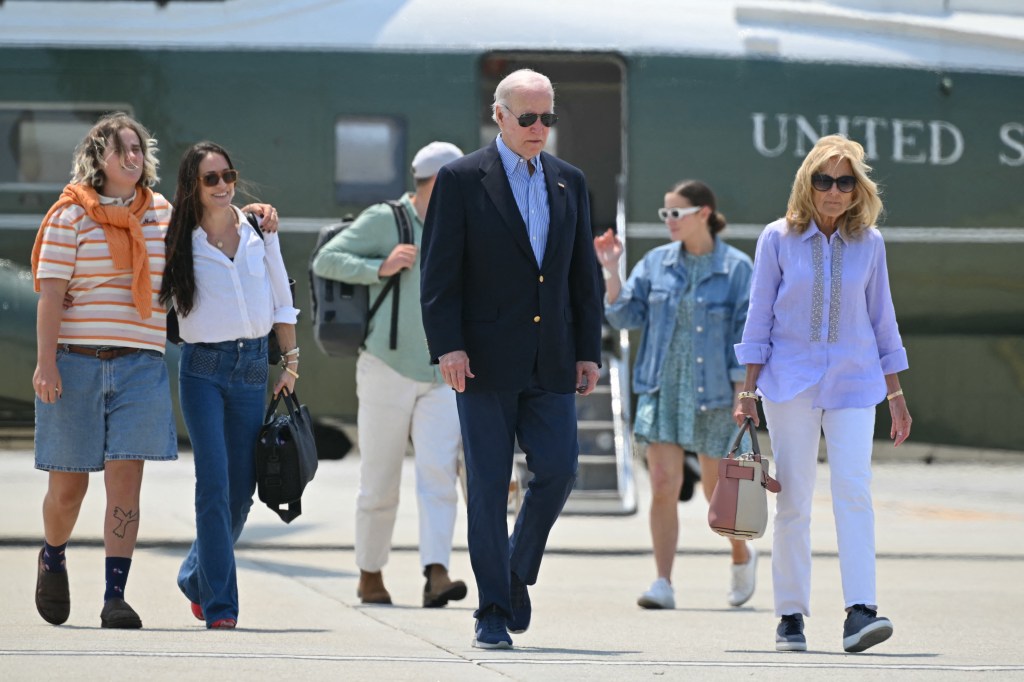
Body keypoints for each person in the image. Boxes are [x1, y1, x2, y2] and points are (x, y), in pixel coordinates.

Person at [419, 69, 604, 649]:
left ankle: (516, 572)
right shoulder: (460, 179)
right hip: (481, 363)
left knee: (559, 469)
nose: (539, 129)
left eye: (547, 118)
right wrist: (447, 345)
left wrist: (588, 352)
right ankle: (492, 610)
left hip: (551, 360)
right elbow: (439, 275)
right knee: (489, 485)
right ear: (498, 116)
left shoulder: (569, 181)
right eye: (527, 118)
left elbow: (582, 277)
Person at [733, 134, 912, 653]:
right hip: (788, 384)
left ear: (858, 190)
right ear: (807, 184)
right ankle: (790, 614)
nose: (834, 191)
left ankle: (861, 611)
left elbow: (883, 320)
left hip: (856, 385)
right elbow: (758, 316)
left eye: (845, 181)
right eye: (824, 180)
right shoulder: (776, 238)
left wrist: (895, 393)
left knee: (854, 490)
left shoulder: (870, 244)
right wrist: (748, 391)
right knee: (793, 500)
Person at [30, 112, 177, 629]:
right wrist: (46, 363)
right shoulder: (69, 215)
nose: (133, 158)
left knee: (125, 484)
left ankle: (116, 595)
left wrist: (256, 215)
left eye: (138, 149)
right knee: (68, 490)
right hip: (76, 363)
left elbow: (203, 244)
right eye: (122, 150)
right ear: (99, 159)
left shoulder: (161, 213)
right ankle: (53, 554)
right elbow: (50, 295)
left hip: (140, 365)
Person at [311, 141, 469, 609]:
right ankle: (370, 573)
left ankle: (437, 573)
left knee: (439, 476)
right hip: (385, 367)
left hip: (444, 373)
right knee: (379, 479)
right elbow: (326, 259)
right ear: (437, 182)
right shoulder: (388, 220)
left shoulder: (464, 223)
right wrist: (378, 266)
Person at [594, 180, 757, 611]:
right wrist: (611, 270)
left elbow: (746, 337)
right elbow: (624, 314)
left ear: (703, 213)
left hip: (717, 395)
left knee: (715, 494)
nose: (668, 221)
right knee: (664, 484)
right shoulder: (655, 264)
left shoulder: (738, 269)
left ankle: (740, 554)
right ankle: (662, 581)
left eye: (676, 213)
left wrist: (745, 395)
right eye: (665, 214)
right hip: (661, 387)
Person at [159, 141, 298, 629]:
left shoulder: (259, 228)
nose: (223, 185)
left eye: (228, 175)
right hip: (202, 370)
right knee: (213, 485)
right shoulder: (176, 238)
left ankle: (197, 576)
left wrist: (291, 362)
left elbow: (282, 297)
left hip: (253, 367)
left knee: (242, 491)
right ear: (192, 188)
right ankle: (221, 607)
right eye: (211, 178)